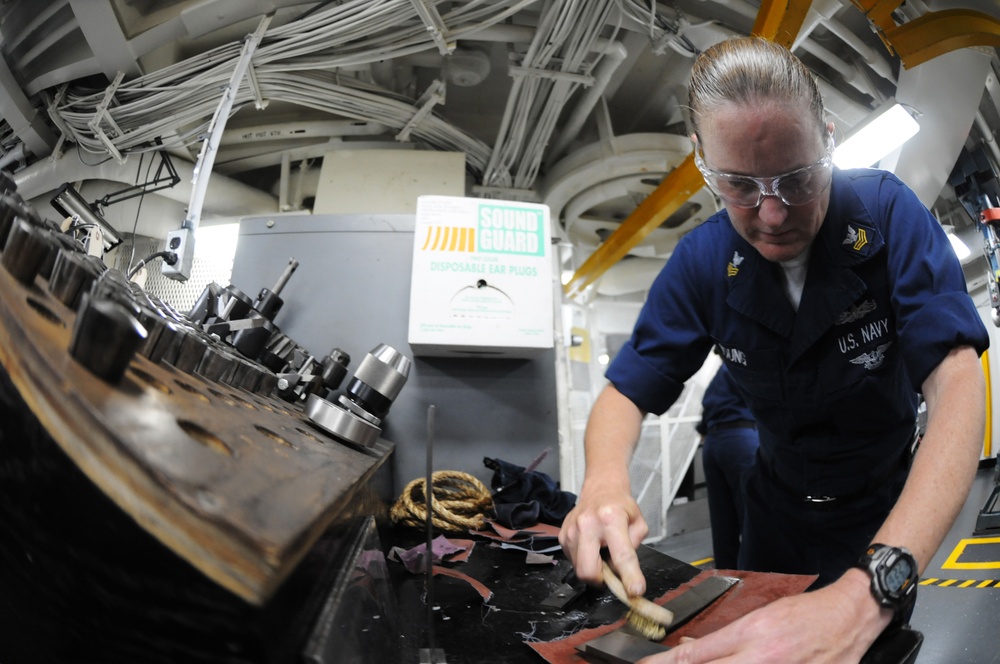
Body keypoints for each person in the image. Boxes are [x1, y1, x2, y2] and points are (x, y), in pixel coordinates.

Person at [558, 35, 989, 663]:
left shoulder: (887, 215)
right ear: (704, 164)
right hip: (776, 516)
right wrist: (601, 482)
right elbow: (628, 389)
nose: (771, 212)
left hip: (884, 512)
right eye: (738, 184)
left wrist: (873, 588)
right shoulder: (702, 262)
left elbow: (956, 381)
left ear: (829, 139)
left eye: (797, 177)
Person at [696, 362, 758, 570]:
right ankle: (756, 581)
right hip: (741, 439)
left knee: (722, 521)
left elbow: (703, 420)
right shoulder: (747, 362)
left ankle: (725, 581)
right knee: (752, 517)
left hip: (712, 444)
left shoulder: (719, 376)